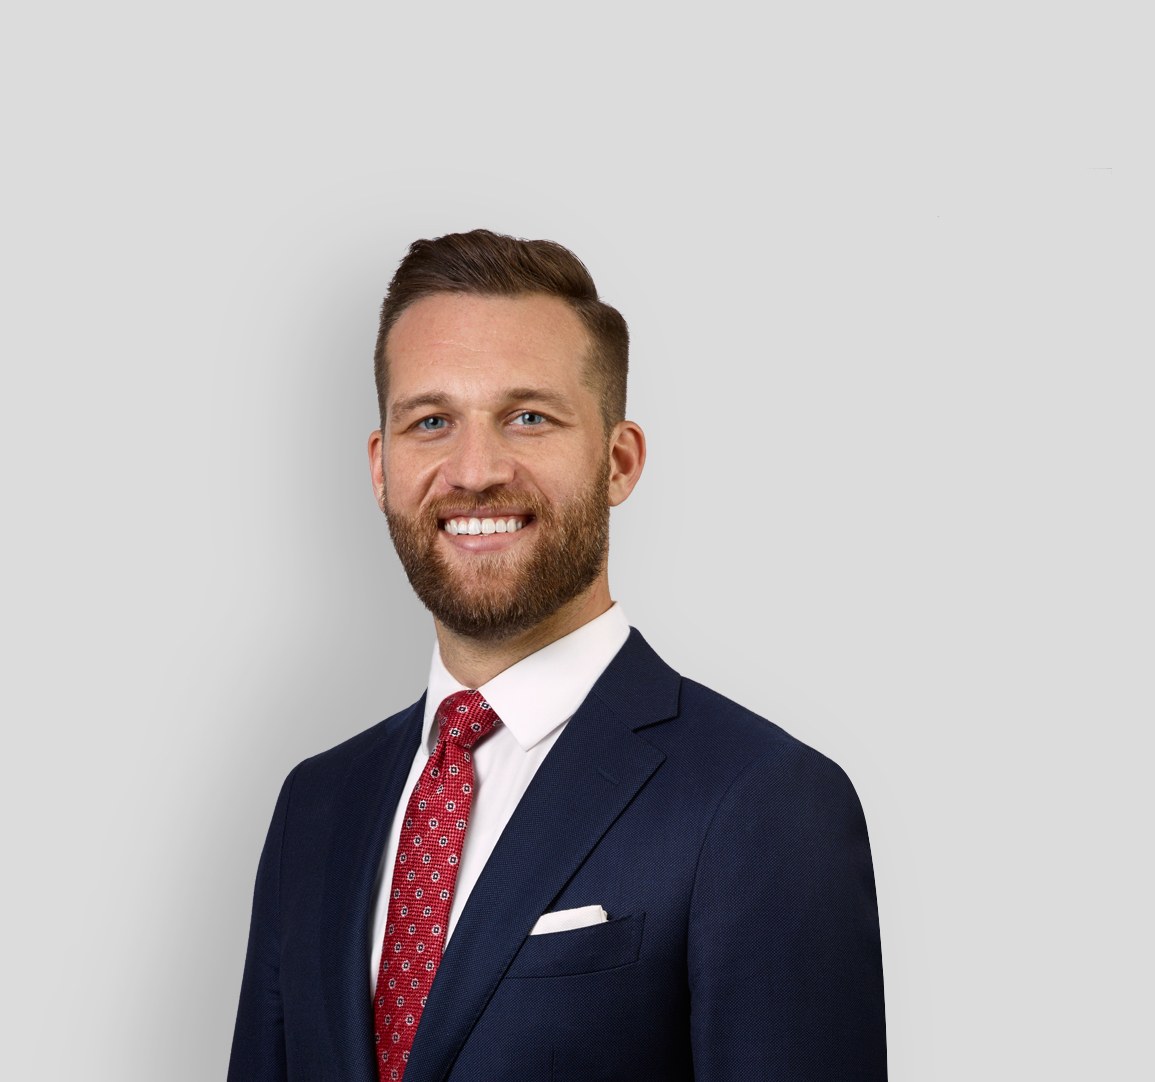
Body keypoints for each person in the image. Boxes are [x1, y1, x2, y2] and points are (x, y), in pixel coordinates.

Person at [228, 229, 887, 1082]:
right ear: (382, 467)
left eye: (528, 418)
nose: (474, 471)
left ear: (619, 461)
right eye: (432, 422)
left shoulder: (762, 802)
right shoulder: (316, 807)